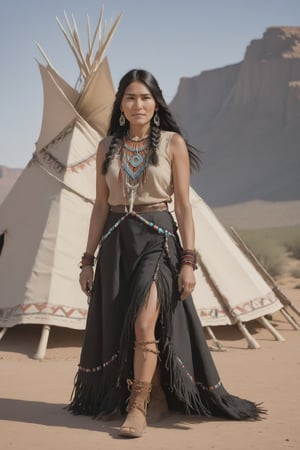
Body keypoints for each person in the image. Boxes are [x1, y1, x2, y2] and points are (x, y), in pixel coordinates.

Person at [68, 69, 264, 438]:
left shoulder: (172, 143)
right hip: (115, 240)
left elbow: (185, 207)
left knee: (144, 323)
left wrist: (189, 260)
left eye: (145, 97)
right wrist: (87, 259)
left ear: (156, 102)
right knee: (125, 326)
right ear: (121, 105)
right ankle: (156, 391)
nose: (137, 104)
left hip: (159, 239)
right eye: (130, 97)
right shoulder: (105, 145)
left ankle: (138, 406)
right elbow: (99, 205)